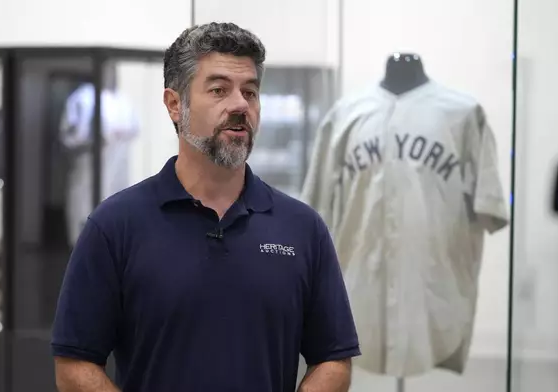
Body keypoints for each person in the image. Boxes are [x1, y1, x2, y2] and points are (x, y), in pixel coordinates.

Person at [51, 22, 360, 392]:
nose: (240, 105)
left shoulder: (302, 228)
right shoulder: (115, 225)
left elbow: (333, 358)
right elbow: (75, 365)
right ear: (174, 105)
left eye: (250, 92)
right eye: (219, 90)